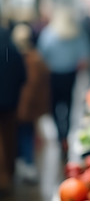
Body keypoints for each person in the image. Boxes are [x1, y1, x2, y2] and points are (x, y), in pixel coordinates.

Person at [37, 6, 90, 156]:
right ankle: (65, 135)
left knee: (54, 105)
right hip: (70, 74)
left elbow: (42, 54)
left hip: (53, 75)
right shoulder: (77, 33)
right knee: (68, 105)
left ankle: (59, 134)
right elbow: (85, 55)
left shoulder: (48, 33)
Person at [12, 23, 51, 183]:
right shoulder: (36, 58)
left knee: (23, 136)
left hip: (21, 107)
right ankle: (26, 165)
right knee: (26, 135)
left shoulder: (20, 59)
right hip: (29, 108)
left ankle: (26, 165)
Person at [0, 23, 26, 197]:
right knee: (10, 138)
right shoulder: (13, 50)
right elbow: (23, 76)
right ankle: (9, 174)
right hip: (10, 103)